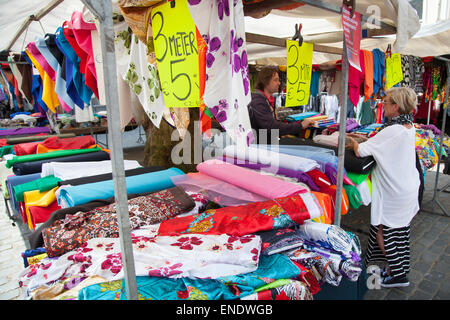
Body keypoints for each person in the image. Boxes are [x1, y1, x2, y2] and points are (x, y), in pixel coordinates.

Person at [346, 87, 420, 288]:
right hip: (406, 186)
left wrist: (352, 141)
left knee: (384, 231)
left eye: (386, 102)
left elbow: (361, 151)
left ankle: (398, 276)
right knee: (399, 232)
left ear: (395, 106)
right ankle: (397, 270)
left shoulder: (392, 130)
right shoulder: (407, 126)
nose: (383, 104)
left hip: (394, 191)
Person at [247, 65, 314, 143]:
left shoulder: (266, 100)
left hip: (265, 146)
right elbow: (270, 126)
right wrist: (300, 125)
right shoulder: (258, 101)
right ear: (265, 81)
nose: (279, 83)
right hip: (259, 149)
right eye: (275, 80)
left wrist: (280, 133)